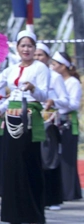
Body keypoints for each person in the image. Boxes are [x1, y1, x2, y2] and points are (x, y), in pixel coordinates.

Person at [0, 30, 49, 224]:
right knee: (12, 165)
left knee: (28, 164)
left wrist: (33, 88)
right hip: (12, 117)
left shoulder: (40, 68)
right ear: (17, 47)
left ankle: (32, 214)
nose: (26, 49)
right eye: (23, 45)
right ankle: (13, 214)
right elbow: (9, 95)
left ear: (34, 48)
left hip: (29, 118)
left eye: (30, 46)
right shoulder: (12, 69)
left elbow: (43, 96)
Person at [35, 43, 68, 210]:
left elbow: (66, 100)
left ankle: (53, 199)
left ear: (47, 58)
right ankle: (39, 199)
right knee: (36, 162)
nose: (38, 58)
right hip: (32, 124)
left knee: (50, 161)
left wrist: (53, 101)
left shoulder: (54, 77)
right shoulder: (30, 73)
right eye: (36, 55)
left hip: (50, 124)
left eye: (41, 55)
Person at [51, 51, 82, 201]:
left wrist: (56, 106)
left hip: (67, 123)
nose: (52, 67)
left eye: (55, 65)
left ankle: (69, 192)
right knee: (57, 157)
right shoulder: (56, 81)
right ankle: (68, 190)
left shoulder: (73, 82)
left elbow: (74, 104)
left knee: (68, 159)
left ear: (63, 66)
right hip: (55, 122)